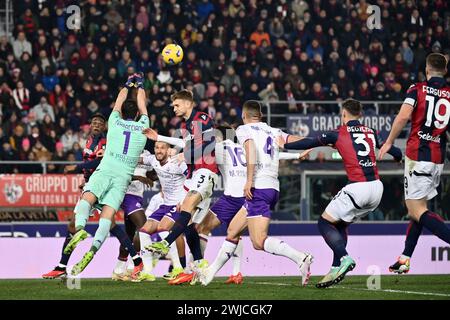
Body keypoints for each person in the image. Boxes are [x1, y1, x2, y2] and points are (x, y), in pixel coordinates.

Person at [280, 98, 402, 288]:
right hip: (377, 188)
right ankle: (336, 266)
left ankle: (344, 258)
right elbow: (391, 149)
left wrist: (285, 145)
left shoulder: (338, 133)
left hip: (358, 188)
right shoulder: (371, 132)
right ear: (360, 115)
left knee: (323, 222)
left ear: (344, 114)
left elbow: (310, 142)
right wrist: (399, 157)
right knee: (340, 224)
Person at [197, 100, 313, 286]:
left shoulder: (244, 131)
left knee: (258, 242)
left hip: (259, 188)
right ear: (260, 114)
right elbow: (291, 140)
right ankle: (209, 273)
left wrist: (249, 181)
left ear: (244, 115)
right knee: (233, 230)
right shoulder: (273, 131)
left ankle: (300, 258)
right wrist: (314, 144)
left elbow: (250, 152)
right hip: (272, 187)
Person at [63, 73, 149, 276]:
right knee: (108, 216)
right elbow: (143, 104)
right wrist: (141, 86)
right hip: (123, 178)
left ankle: (81, 228)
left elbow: (119, 100)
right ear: (137, 114)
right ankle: (93, 250)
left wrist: (129, 84)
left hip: (107, 169)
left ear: (120, 113)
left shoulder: (114, 122)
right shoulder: (143, 126)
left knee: (87, 198)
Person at [42, 113, 141, 279]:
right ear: (90, 125)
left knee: (79, 225)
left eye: (100, 123)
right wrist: (85, 179)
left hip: (101, 186)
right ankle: (137, 261)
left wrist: (77, 167)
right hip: (92, 183)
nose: (96, 125)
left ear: (104, 127)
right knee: (110, 226)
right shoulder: (89, 141)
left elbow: (100, 162)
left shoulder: (105, 142)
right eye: (94, 122)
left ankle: (61, 266)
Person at [378, 53, 450, 274]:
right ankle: (405, 257)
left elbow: (402, 117)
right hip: (437, 158)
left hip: (418, 156)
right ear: (445, 71)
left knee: (416, 209)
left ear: (427, 71)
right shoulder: (449, 94)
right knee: (419, 209)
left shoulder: (416, 89)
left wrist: (389, 142)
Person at [143, 89, 219, 284]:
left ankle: (164, 244)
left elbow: (209, 143)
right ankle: (200, 263)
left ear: (187, 103)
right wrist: (160, 137)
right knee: (188, 225)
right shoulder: (186, 125)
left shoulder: (201, 118)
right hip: (194, 176)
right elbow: (185, 143)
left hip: (206, 171)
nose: (174, 108)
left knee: (184, 210)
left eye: (176, 105)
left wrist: (184, 155)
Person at [134, 141, 188, 282]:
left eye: (162, 148)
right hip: (165, 204)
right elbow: (135, 159)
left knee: (164, 228)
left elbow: (191, 177)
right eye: (157, 148)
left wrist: (185, 200)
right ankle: (147, 271)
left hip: (179, 204)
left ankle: (178, 268)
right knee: (143, 231)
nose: (159, 151)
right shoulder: (153, 160)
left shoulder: (177, 162)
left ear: (168, 150)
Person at [112, 150, 155, 281]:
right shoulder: (124, 151)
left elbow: (148, 174)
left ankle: (119, 270)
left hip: (138, 195)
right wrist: (138, 178)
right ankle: (134, 268)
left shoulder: (147, 154)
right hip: (127, 194)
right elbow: (119, 174)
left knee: (129, 234)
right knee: (144, 228)